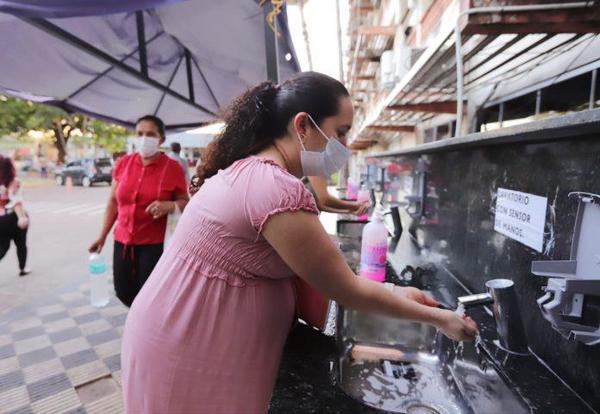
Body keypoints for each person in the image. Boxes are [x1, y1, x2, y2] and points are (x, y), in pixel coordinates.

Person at [121, 72, 478, 413]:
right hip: (185, 346)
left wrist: (399, 295)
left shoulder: (257, 171)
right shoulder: (275, 188)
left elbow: (318, 276)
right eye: (341, 132)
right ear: (303, 126)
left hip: (182, 333)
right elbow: (347, 289)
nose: (345, 146)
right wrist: (440, 319)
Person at [88, 115, 189, 307]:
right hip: (123, 241)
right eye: (139, 134)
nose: (144, 138)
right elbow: (113, 202)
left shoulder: (172, 167)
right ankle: (141, 324)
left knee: (150, 296)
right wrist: (102, 236)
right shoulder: (123, 164)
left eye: (150, 134)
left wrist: (169, 205)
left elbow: (185, 201)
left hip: (154, 244)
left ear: (161, 139)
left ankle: (146, 331)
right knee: (123, 291)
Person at [0, 155, 31, 276]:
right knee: (21, 244)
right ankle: (22, 268)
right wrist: (22, 217)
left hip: (1, 220)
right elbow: (16, 201)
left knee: (2, 247)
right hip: (13, 217)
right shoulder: (14, 181)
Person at [305, 175, 369, 215]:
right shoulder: (314, 160)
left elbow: (319, 205)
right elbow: (325, 199)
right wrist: (354, 205)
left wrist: (349, 211)